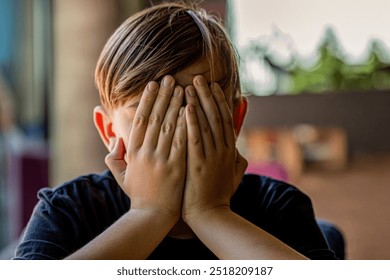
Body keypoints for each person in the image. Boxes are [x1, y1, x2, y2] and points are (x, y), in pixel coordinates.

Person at [13, 2, 337, 260]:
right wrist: (149, 214)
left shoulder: (278, 206)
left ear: (234, 120)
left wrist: (211, 214)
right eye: (151, 113)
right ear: (109, 130)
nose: (177, 130)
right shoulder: (69, 210)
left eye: (196, 107)